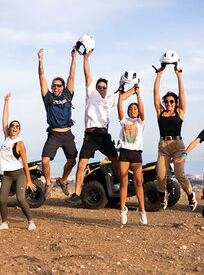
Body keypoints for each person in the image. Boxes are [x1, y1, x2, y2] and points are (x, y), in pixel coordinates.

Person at [66, 50, 120, 205]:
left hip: (103, 135)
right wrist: (85, 58)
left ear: (107, 89)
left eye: (104, 87)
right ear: (95, 88)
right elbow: (87, 74)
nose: (101, 89)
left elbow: (122, 97)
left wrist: (135, 90)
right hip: (90, 136)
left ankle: (120, 185)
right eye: (99, 87)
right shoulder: (91, 93)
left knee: (115, 160)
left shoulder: (110, 99)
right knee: (81, 164)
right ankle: (76, 194)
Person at [153, 65, 197, 210]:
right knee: (160, 174)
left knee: (179, 174)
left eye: (171, 101)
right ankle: (162, 195)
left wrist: (178, 75)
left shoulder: (180, 112)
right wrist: (159, 75)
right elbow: (155, 93)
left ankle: (190, 195)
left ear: (175, 103)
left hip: (178, 145)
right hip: (163, 147)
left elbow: (182, 94)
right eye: (166, 101)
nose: (168, 104)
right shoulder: (160, 112)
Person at [37, 47, 78, 198]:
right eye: (53, 85)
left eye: (58, 85)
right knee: (45, 160)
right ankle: (48, 183)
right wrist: (40, 61)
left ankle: (63, 180)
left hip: (67, 134)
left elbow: (71, 76)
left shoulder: (67, 95)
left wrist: (74, 58)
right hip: (54, 134)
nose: (55, 87)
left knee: (72, 161)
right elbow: (42, 79)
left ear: (63, 87)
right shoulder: (48, 98)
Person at [0, 93, 37, 230]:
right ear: (9, 128)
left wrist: (29, 181)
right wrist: (6, 101)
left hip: (19, 174)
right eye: (12, 125)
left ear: (19, 130)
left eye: (17, 126)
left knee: (20, 199)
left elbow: (25, 163)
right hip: (7, 175)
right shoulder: (6, 138)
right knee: (2, 200)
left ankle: (31, 222)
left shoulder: (20, 144)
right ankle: (4, 223)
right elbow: (4, 119)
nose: (14, 127)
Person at [117, 84, 147, 225]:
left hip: (136, 154)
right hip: (124, 152)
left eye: (135, 109)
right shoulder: (124, 121)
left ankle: (142, 210)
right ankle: (123, 210)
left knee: (138, 182)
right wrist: (121, 95)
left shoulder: (140, 122)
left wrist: (138, 95)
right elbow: (119, 108)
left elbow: (142, 111)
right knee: (123, 181)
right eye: (131, 109)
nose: (133, 110)